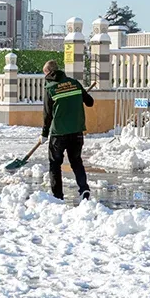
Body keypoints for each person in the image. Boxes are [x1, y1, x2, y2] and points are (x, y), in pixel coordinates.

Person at [40, 60, 95, 201]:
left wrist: (44, 134)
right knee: (76, 161)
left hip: (59, 133)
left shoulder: (50, 88)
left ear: (48, 72)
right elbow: (90, 102)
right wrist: (79, 95)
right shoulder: (74, 83)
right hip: (77, 132)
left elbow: (47, 114)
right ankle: (84, 189)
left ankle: (57, 196)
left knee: (55, 164)